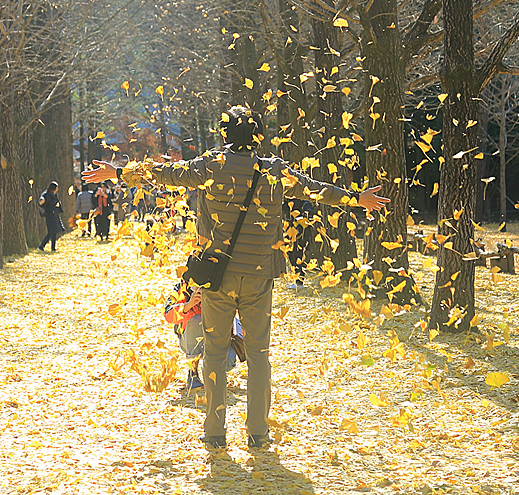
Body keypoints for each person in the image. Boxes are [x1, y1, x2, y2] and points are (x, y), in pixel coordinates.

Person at [83, 105, 389, 449]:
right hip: (260, 274)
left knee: (214, 352)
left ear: (224, 134)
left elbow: (166, 173)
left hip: (218, 275)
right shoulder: (274, 170)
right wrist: (356, 198)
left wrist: (119, 171)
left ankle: (215, 433)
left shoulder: (211, 164)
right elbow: (314, 189)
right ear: (258, 134)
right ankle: (258, 432)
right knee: (258, 354)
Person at [164, 281, 241, 392]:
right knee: (196, 320)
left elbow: (231, 314)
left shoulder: (221, 285)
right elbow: (168, 315)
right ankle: (193, 375)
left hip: (217, 337)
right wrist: (189, 305)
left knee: (228, 361)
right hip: (190, 340)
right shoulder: (182, 288)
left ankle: (215, 374)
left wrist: (212, 301)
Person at [283, 198, 315, 289]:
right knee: (290, 254)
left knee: (299, 255)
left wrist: (300, 220)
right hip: (289, 230)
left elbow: (309, 212)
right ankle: (296, 280)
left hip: (301, 232)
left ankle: (299, 282)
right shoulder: (286, 200)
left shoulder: (303, 200)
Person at [38, 181, 65, 251]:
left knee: (55, 232)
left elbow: (56, 202)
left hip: (55, 214)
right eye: (56, 188)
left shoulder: (55, 194)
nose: (56, 190)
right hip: (49, 215)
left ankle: (53, 247)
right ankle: (41, 246)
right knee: (50, 232)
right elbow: (41, 200)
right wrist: (42, 201)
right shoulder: (46, 194)